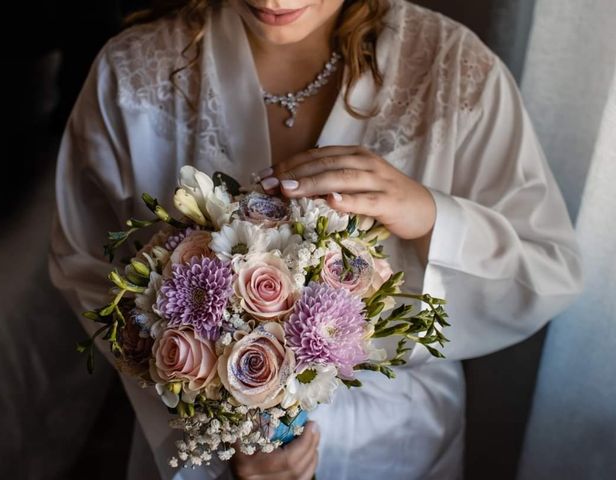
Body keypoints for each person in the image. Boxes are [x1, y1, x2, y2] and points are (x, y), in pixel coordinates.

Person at [48, 1, 583, 479]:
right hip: (202, 453)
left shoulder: (454, 70)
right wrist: (216, 424)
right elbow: (88, 268)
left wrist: (429, 215)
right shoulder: (131, 75)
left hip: (395, 446)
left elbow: (547, 268)